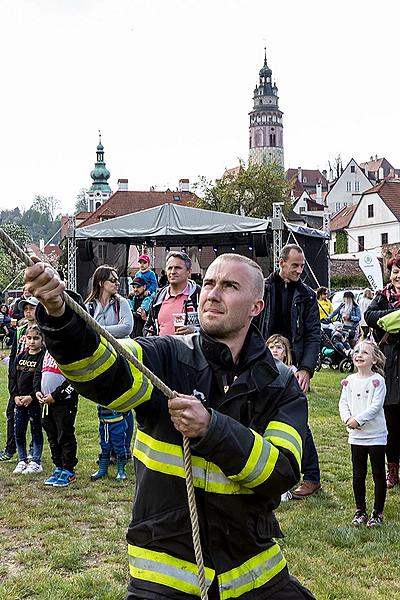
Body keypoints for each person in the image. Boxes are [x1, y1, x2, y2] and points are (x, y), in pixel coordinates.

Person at [25, 254, 315, 600]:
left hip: (253, 571)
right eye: (209, 283)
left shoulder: (281, 385)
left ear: (256, 306)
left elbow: (281, 473)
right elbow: (100, 371)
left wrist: (212, 429)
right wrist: (60, 314)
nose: (213, 293)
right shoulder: (166, 356)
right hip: (165, 577)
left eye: (229, 286)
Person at [254, 244, 322, 498]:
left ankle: (312, 476)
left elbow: (314, 334)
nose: (300, 270)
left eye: (302, 266)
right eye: (295, 265)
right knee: (257, 416)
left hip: (293, 366)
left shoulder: (306, 295)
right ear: (281, 263)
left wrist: (306, 368)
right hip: (262, 362)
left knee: (299, 421)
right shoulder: (262, 288)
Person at [85, 265, 134, 464]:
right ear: (100, 283)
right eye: (112, 280)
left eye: (117, 280)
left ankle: (123, 451)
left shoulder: (120, 302)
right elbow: (85, 329)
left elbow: (127, 327)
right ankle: (107, 449)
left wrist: (100, 330)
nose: (116, 283)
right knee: (105, 407)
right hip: (100, 361)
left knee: (124, 405)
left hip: (121, 359)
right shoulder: (89, 305)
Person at [339, 340, 387, 526]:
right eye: (357, 351)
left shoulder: (378, 381)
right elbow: (343, 403)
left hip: (375, 436)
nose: (359, 354)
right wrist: (347, 419)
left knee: (377, 474)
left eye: (365, 353)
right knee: (358, 473)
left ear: (374, 360)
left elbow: (376, 406)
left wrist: (358, 419)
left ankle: (377, 512)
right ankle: (360, 511)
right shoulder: (349, 381)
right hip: (356, 436)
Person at [365, 256, 400, 489]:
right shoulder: (382, 295)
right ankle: (392, 470)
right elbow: (369, 317)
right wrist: (393, 318)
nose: (398, 276)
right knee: (391, 422)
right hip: (389, 364)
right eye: (396, 272)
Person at [0, 296, 38, 462]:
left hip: (35, 380)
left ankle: (33, 451)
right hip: (19, 379)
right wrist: (12, 383)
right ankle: (10, 448)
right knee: (12, 414)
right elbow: (14, 355)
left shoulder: (43, 330)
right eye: (26, 309)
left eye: (32, 308)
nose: (28, 312)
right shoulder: (21, 331)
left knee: (35, 418)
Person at [34, 349, 79, 487]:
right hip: (46, 403)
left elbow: (74, 380)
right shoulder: (47, 353)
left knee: (64, 435)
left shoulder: (70, 353)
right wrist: (37, 391)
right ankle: (58, 467)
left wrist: (55, 395)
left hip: (64, 403)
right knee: (52, 436)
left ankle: (68, 470)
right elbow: (38, 373)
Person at [10, 324, 45, 474]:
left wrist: (31, 397)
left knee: (36, 430)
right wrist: (15, 396)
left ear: (42, 340)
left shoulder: (43, 357)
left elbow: (41, 380)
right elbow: (13, 378)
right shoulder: (20, 356)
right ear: (24, 339)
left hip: (34, 401)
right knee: (19, 430)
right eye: (29, 338)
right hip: (19, 401)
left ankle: (36, 460)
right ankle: (22, 460)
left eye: (36, 338)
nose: (32, 341)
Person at [144, 251, 201, 336]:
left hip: (189, 348)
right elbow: (148, 326)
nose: (173, 272)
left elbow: (213, 327)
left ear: (189, 272)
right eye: (170, 268)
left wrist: (195, 331)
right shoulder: (159, 297)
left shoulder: (199, 295)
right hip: (162, 348)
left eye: (178, 268)